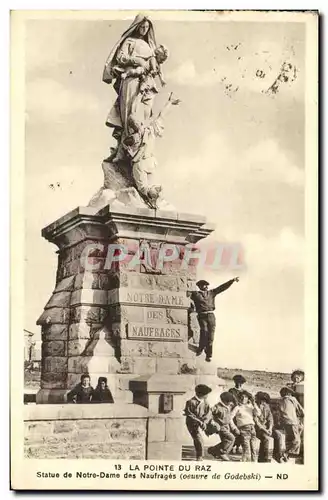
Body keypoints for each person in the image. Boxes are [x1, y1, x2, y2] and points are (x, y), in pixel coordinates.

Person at [102, 15, 159, 162]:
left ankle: (137, 148)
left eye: (146, 28)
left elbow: (155, 65)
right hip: (130, 81)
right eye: (142, 27)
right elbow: (121, 57)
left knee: (141, 117)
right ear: (137, 26)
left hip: (145, 84)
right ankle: (124, 150)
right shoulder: (129, 41)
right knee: (128, 115)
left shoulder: (149, 46)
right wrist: (136, 60)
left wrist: (151, 68)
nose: (144, 30)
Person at [124, 91, 181, 207]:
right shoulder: (150, 130)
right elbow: (161, 116)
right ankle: (154, 198)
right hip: (150, 163)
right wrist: (169, 103)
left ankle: (152, 199)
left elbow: (127, 150)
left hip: (140, 164)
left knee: (144, 188)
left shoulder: (132, 138)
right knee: (151, 186)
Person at [190, 277, 239, 362]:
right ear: (200, 286)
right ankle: (200, 349)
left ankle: (208, 355)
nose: (205, 286)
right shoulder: (195, 294)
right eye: (203, 285)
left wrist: (232, 281)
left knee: (211, 337)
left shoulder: (212, 293)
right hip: (202, 316)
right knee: (204, 333)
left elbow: (222, 287)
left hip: (211, 316)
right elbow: (184, 294)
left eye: (206, 285)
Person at [274, 387, 304, 463]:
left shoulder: (280, 401)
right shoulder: (292, 399)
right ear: (289, 393)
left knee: (289, 439)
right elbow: (301, 411)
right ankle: (285, 454)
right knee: (297, 440)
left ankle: (285, 456)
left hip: (284, 422)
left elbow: (278, 412)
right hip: (292, 421)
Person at [183, 384, 212, 461]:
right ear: (201, 394)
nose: (207, 396)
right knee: (198, 438)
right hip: (192, 423)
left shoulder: (206, 402)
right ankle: (200, 456)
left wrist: (205, 422)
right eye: (206, 394)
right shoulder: (190, 402)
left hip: (202, 422)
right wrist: (199, 422)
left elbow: (208, 413)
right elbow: (189, 414)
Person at [208, 392, 238, 461]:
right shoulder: (217, 407)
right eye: (229, 401)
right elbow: (209, 413)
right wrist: (212, 422)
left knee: (226, 441)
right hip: (221, 427)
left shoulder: (228, 406)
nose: (230, 403)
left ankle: (213, 450)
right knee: (231, 438)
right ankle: (222, 453)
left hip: (227, 426)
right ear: (224, 401)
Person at [232, 391, 261, 462]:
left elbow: (259, 413)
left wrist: (254, 404)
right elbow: (230, 418)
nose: (243, 398)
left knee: (254, 450)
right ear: (239, 398)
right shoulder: (237, 407)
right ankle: (246, 465)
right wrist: (234, 428)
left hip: (252, 429)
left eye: (245, 397)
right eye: (241, 397)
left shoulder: (250, 407)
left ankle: (253, 465)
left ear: (248, 398)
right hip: (243, 429)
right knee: (246, 449)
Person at [254, 392, 274, 462]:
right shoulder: (254, 408)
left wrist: (270, 428)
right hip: (256, 428)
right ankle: (264, 458)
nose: (263, 403)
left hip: (266, 428)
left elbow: (270, 419)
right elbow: (256, 423)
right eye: (262, 400)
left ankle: (278, 455)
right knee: (266, 438)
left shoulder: (267, 407)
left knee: (278, 435)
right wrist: (266, 430)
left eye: (265, 401)